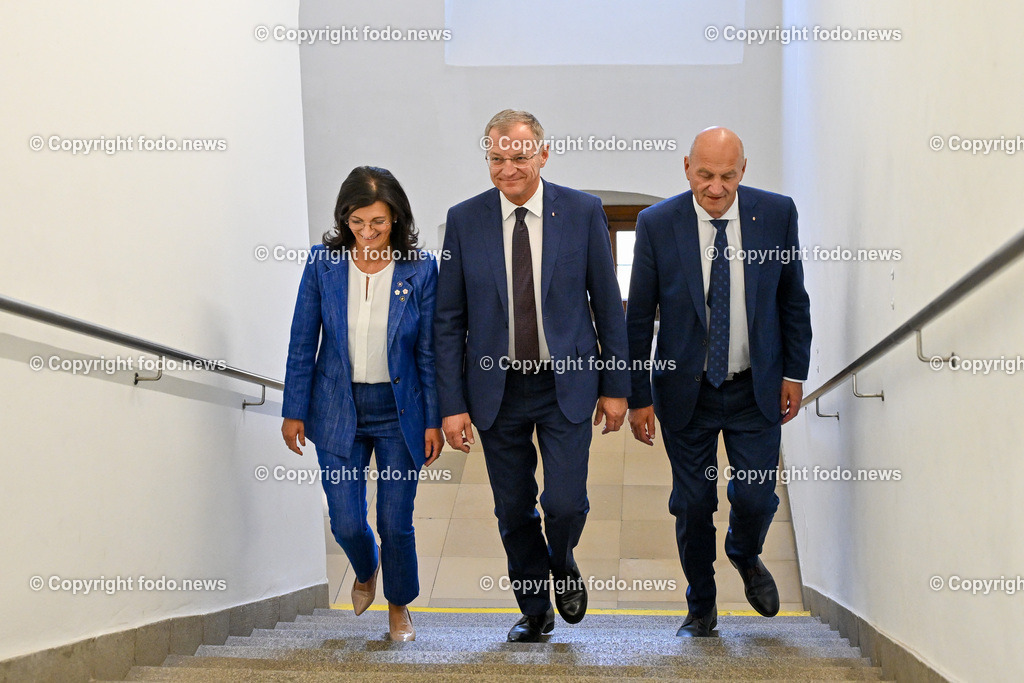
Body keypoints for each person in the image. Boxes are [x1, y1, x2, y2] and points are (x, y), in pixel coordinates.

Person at [435, 110, 630, 642]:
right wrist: (451, 404)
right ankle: (535, 607)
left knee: (565, 501)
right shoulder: (464, 219)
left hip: (564, 384)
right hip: (495, 390)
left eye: (519, 157)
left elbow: (608, 306)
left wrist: (616, 387)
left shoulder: (584, 211)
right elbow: (449, 321)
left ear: (543, 154)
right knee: (513, 507)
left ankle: (562, 559)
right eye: (497, 158)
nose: (508, 169)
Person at [625, 127, 811, 637]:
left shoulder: (776, 215)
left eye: (727, 175)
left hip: (756, 388)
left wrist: (794, 371)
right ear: (687, 167)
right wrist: (638, 395)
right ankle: (701, 603)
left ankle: (744, 552)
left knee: (754, 495)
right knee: (692, 504)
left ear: (743, 171)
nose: (715, 187)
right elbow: (638, 318)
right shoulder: (657, 224)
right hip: (685, 393)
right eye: (705, 175)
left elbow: (793, 299)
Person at [281, 166, 443, 642]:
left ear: (396, 217)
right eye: (357, 223)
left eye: (378, 222)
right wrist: (294, 409)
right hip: (336, 408)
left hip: (399, 412)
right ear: (344, 219)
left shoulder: (420, 268)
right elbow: (301, 339)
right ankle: (366, 568)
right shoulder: (323, 264)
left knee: (395, 521)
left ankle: (399, 606)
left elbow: (429, 353)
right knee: (347, 519)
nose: (368, 233)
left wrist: (433, 419)